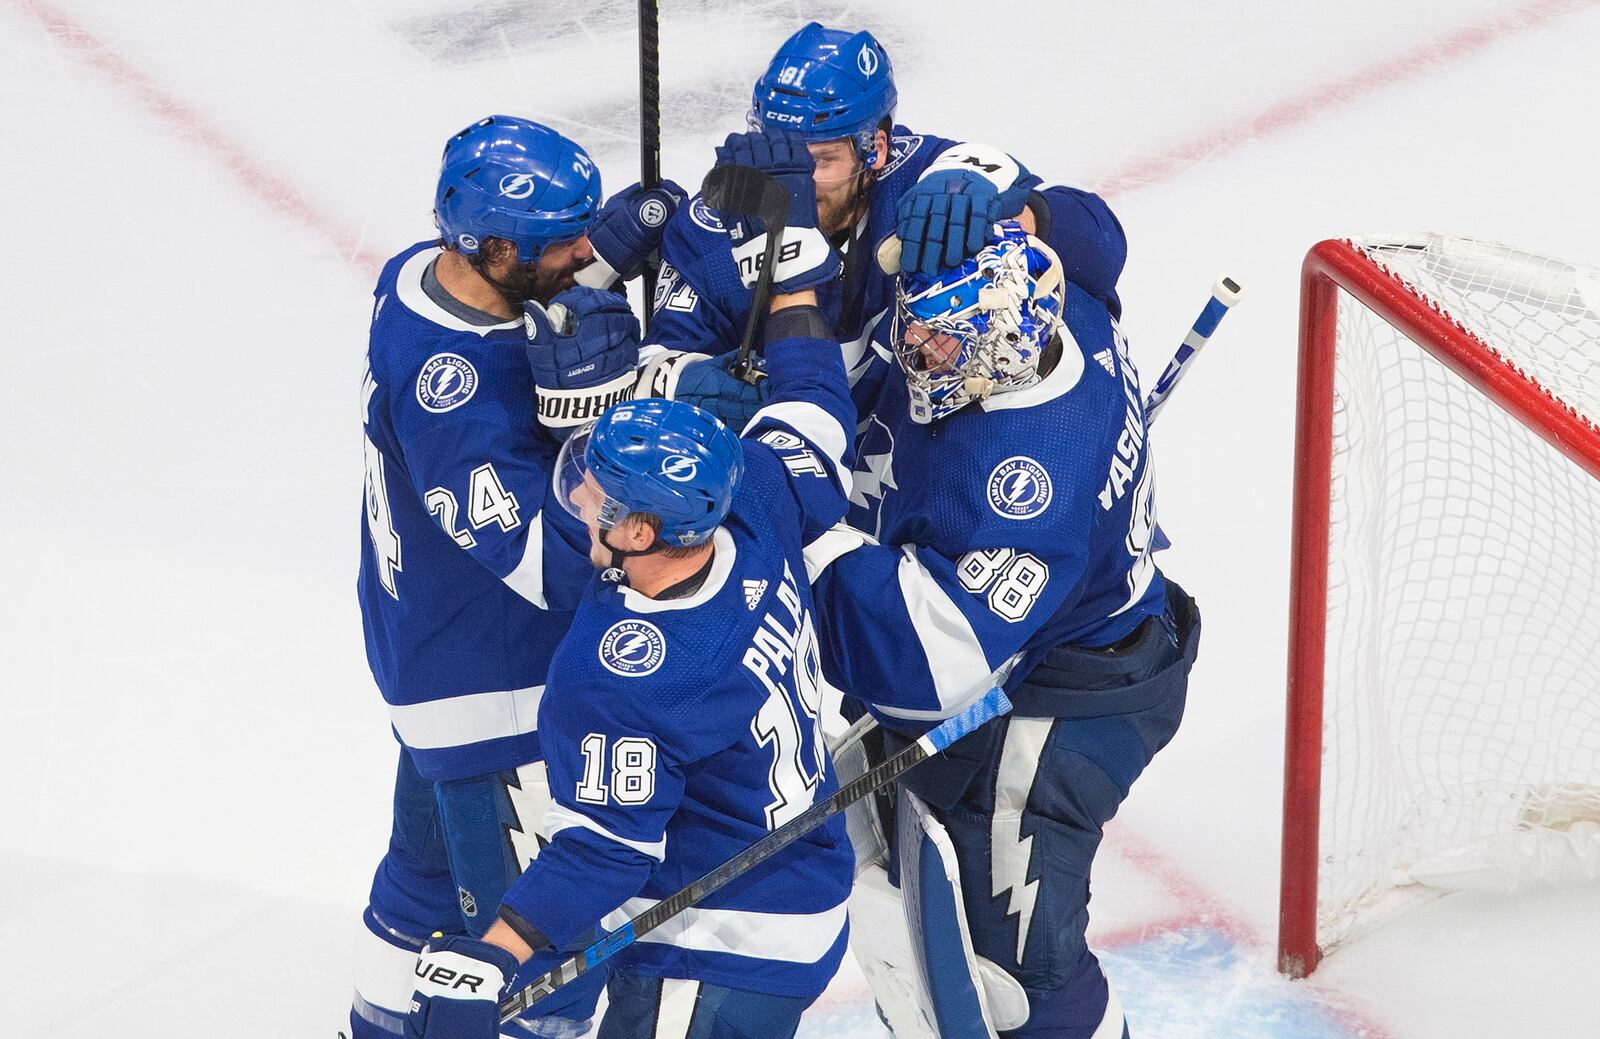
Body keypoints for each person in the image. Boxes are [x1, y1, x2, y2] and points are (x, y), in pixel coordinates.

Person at [402, 131, 869, 1039]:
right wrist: (800, 254)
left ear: (643, 531)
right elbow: (812, 395)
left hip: (715, 940)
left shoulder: (620, 668)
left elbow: (605, 852)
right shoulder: (760, 500)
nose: (580, 497)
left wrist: (494, 952)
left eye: (599, 497)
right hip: (805, 892)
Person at [804, 222, 1202, 1039]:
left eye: (944, 340)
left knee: (1014, 976)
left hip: (1069, 702)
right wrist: (1008, 201)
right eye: (914, 319)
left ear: (1006, 339)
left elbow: (923, 664)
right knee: (923, 925)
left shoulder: (1026, 485)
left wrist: (801, 531)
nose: (914, 347)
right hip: (1070, 641)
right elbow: (1081, 229)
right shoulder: (1069, 305)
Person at [350, 113, 680, 1039]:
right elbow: (553, 567)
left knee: (419, 891)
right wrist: (597, 418)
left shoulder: (419, 272)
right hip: (494, 700)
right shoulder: (448, 389)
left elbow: (534, 305)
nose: (582, 250)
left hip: (428, 658)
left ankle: (375, 1025)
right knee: (538, 973)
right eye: (561, 242)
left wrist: (612, 245)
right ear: (492, 248)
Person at [638, 21, 1127, 426]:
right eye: (781, 159)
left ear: (877, 148)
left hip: (923, 450)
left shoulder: (929, 179)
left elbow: (1101, 248)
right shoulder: (709, 227)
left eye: (822, 161)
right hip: (795, 479)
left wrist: (1028, 214)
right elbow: (652, 367)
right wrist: (689, 381)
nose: (799, 186)